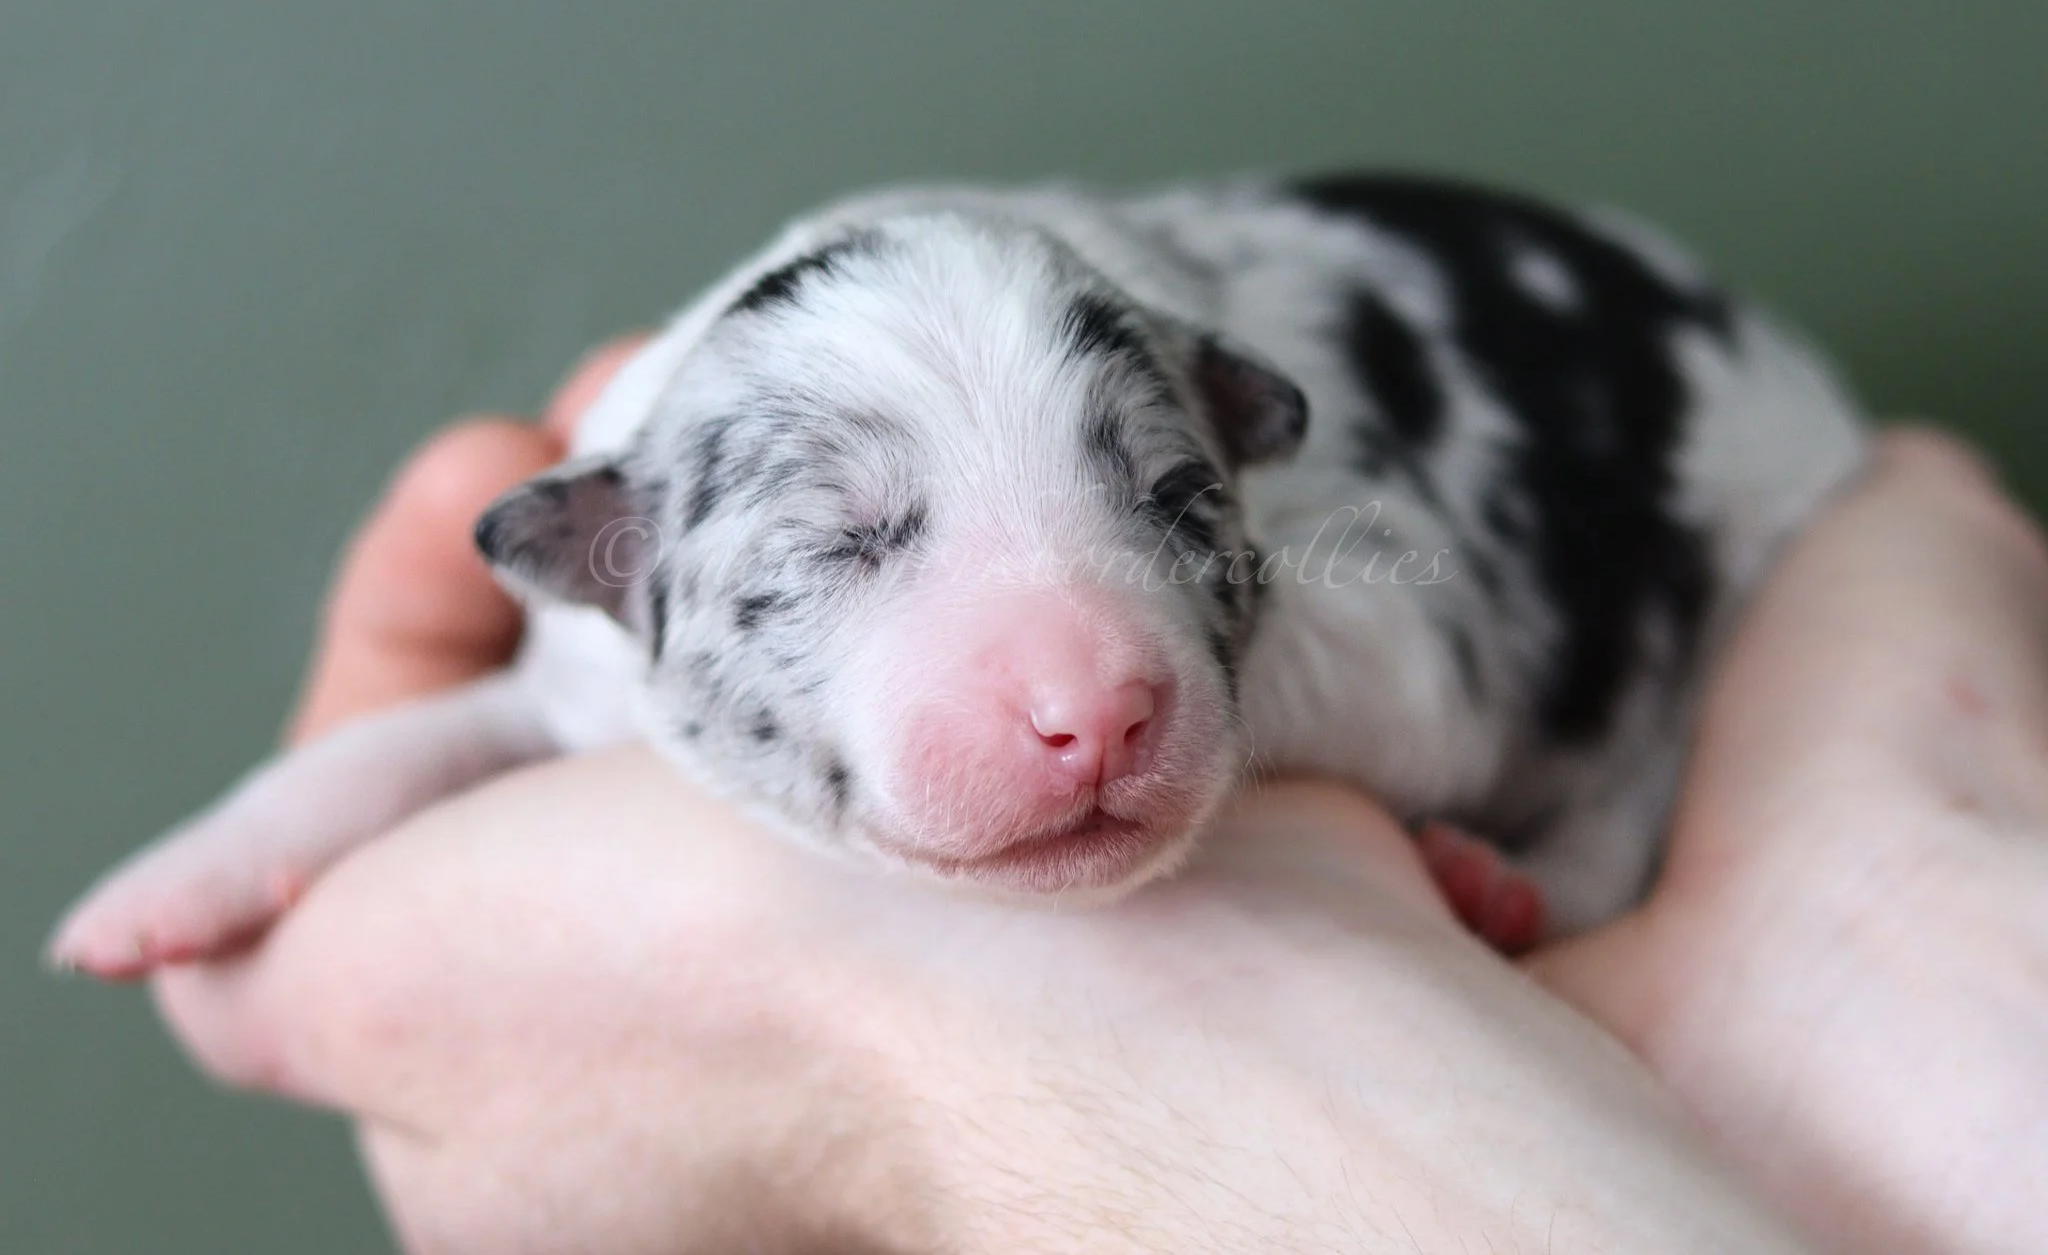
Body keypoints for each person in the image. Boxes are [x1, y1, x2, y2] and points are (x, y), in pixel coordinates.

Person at [146, 340, 2048, 1253]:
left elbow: (1407, 636)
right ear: (614, 555)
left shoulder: (1340, 543)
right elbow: (507, 718)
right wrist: (268, 825)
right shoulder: (657, 531)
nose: (1085, 696)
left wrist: (941, 1057)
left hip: (1680, 595)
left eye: (1152, 500)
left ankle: (1015, 1027)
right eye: (837, 547)